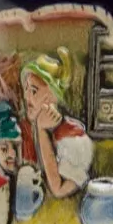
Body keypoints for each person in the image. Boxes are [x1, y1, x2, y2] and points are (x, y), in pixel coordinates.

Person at [21, 55, 93, 199]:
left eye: (34, 91)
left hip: (74, 153)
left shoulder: (63, 134)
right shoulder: (37, 123)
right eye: (26, 88)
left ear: (50, 98)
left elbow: (57, 187)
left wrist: (41, 131)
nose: (26, 96)